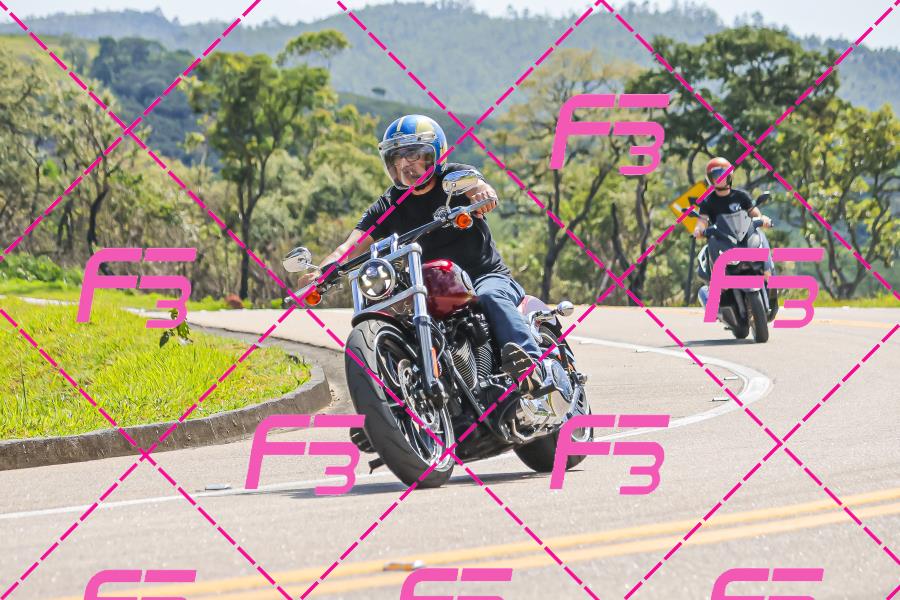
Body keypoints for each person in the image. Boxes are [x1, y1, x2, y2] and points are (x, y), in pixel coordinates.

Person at [296, 114, 547, 392]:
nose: (405, 163)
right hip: (431, 287)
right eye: (397, 157)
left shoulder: (453, 179)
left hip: (483, 276)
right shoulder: (388, 204)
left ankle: (534, 369)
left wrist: (482, 194)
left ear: (435, 154)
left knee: (490, 296)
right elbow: (349, 247)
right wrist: (320, 272)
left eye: (414, 154)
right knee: (402, 319)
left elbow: (478, 185)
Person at [693, 157, 774, 307]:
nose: (720, 178)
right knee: (711, 243)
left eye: (723, 174)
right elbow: (702, 220)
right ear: (711, 178)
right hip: (722, 240)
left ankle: (767, 271)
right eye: (716, 175)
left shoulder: (740, 196)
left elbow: (754, 212)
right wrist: (699, 230)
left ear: (729, 176)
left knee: (760, 234)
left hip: (742, 237)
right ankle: (718, 284)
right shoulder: (708, 201)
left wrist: (763, 219)